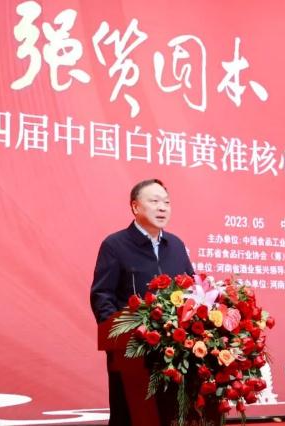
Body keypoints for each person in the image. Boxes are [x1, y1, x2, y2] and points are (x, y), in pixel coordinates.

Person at [90, 178, 194, 426]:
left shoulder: (176, 245)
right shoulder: (115, 245)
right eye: (155, 201)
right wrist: (121, 333)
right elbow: (102, 295)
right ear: (135, 207)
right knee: (131, 416)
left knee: (172, 416)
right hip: (133, 353)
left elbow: (192, 290)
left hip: (175, 353)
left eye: (166, 202)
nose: (162, 207)